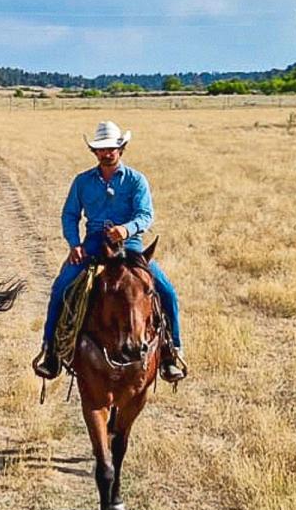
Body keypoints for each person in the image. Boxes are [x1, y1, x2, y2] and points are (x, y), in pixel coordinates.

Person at [33, 121, 186, 380]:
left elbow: (145, 214)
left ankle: (171, 353)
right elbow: (70, 215)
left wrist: (126, 230)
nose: (106, 153)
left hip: (131, 246)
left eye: (111, 149)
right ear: (94, 152)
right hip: (93, 243)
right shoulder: (82, 182)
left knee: (166, 291)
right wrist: (75, 245)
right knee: (61, 287)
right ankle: (51, 350)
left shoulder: (136, 180)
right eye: (101, 149)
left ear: (121, 148)